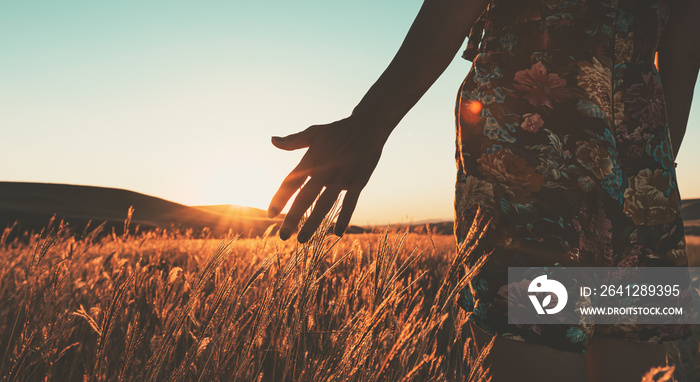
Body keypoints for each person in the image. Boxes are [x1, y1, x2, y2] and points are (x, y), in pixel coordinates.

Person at [267, 0, 699, 380]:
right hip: (641, 163)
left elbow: (452, 9)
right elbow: (683, 49)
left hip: (530, 152)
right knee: (630, 349)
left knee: (539, 339)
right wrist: (652, 166)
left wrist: (368, 124)